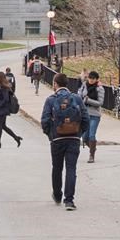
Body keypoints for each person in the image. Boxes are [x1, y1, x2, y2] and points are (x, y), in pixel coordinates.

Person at [41, 73, 88, 210]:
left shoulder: (51, 100)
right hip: (73, 138)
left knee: (57, 168)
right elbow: (85, 119)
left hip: (57, 139)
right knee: (71, 169)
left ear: (55, 84)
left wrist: (51, 135)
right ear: (67, 84)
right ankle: (69, 201)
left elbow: (44, 121)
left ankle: (57, 194)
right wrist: (78, 134)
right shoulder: (76, 98)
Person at [0, 71, 23, 149]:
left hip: (3, 109)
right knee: (3, 126)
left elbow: (6, 99)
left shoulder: (3, 86)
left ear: (0, 77)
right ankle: (16, 138)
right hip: (0, 108)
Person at [78, 70, 103, 163]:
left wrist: (88, 100)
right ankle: (93, 148)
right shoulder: (84, 85)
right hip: (85, 114)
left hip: (95, 115)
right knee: (84, 137)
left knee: (92, 134)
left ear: (96, 79)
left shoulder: (100, 89)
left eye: (93, 79)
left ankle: (91, 155)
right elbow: (79, 95)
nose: (91, 80)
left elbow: (100, 103)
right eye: (89, 78)